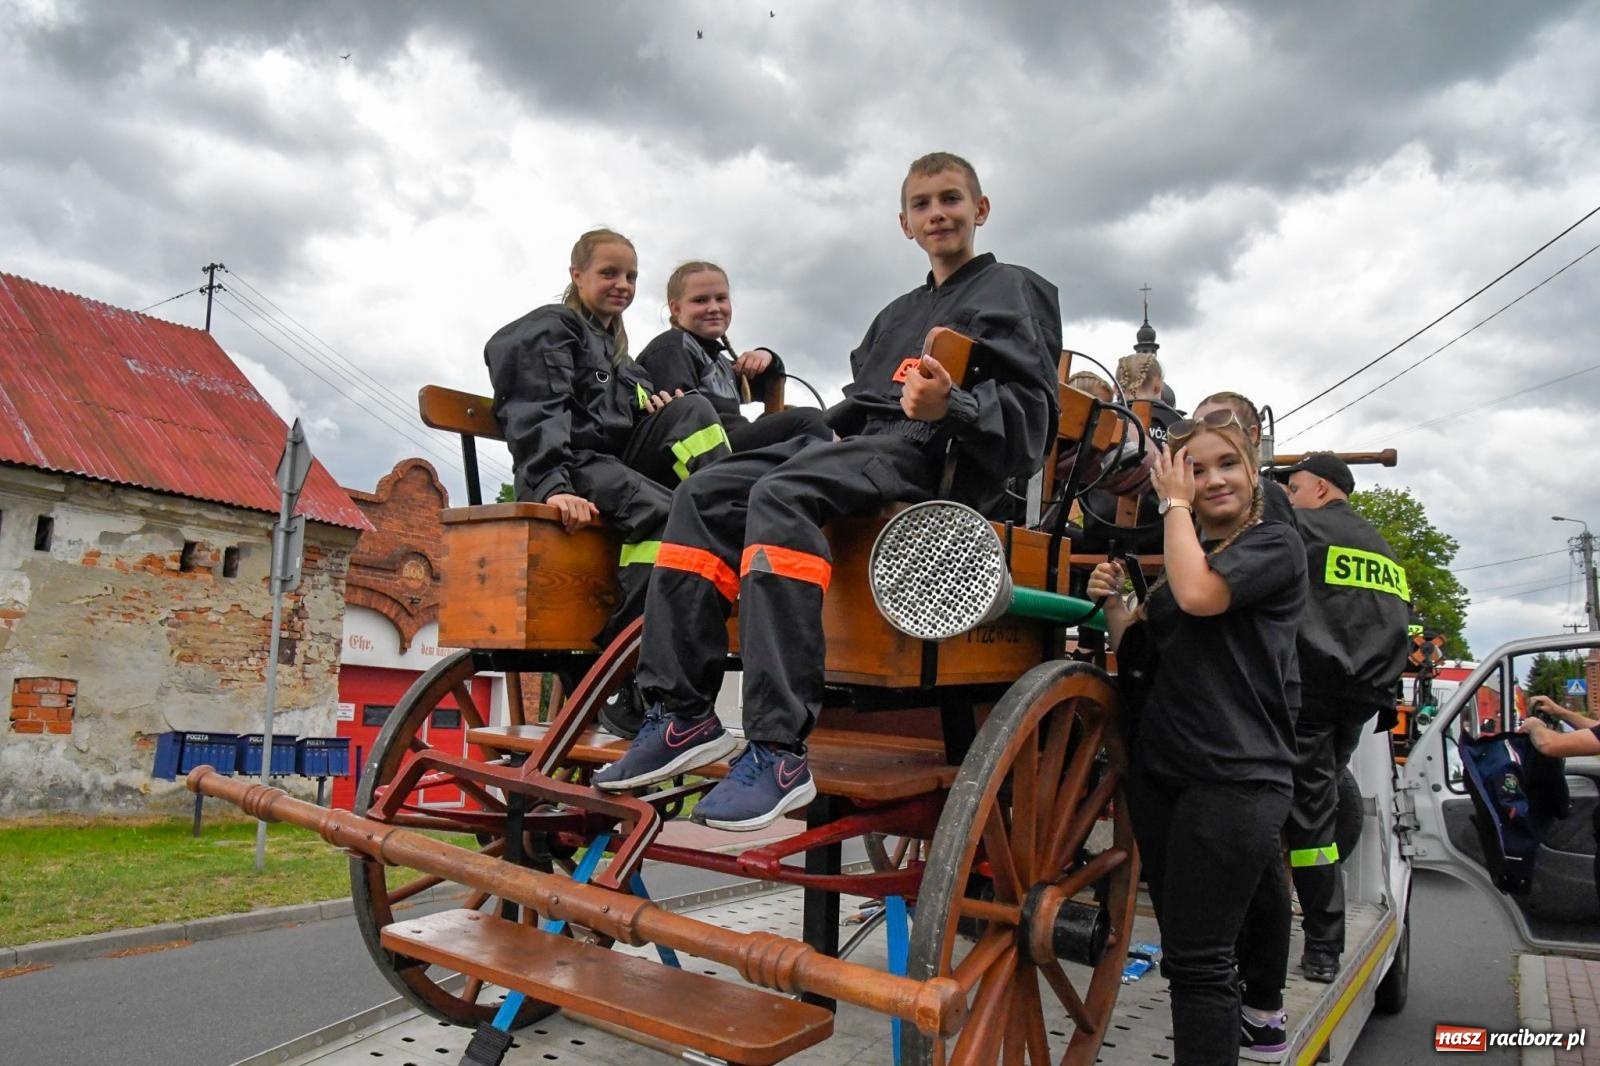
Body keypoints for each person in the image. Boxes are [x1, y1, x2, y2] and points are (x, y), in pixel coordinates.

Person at [592, 151, 1061, 830]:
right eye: (923, 204)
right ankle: (681, 714)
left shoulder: (1016, 290)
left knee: (779, 496)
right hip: (856, 449)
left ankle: (780, 751)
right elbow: (860, 407)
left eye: (951, 199)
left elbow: (1031, 422)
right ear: (904, 223)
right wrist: (807, 432)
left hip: (934, 462)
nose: (938, 214)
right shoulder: (896, 314)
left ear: (980, 210)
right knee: (707, 492)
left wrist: (951, 408)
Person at [1087, 410, 1306, 1066]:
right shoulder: (1189, 558)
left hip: (1234, 776)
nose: (1213, 480)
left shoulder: (1273, 544)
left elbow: (1202, 595)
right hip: (1169, 775)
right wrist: (1119, 606)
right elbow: (1144, 654)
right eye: (1195, 468)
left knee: (1201, 962)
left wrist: (1173, 503)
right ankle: (1256, 1027)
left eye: (1226, 464)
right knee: (1190, 953)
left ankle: (1259, 1022)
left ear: (1254, 472)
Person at [484, 228, 732, 652]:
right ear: (577, 275)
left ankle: (728, 518)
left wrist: (652, 409)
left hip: (611, 467)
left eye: (631, 276)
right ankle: (622, 656)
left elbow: (621, 424)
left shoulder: (621, 356)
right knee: (663, 515)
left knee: (691, 408)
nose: (623, 285)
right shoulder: (554, 328)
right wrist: (553, 487)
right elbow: (538, 409)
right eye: (609, 273)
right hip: (572, 467)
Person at [1278, 452, 1409, 985]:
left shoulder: (1305, 527)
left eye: (1297, 486)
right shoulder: (1383, 549)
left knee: (1309, 824)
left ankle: (1324, 946)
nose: (1290, 496)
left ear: (1325, 489)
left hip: (1312, 693)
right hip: (1362, 699)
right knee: (1319, 808)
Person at [637, 261, 833, 451]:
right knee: (808, 421)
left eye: (721, 298)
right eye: (700, 300)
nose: (714, 308)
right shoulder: (671, 348)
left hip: (733, 441)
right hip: (711, 453)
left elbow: (769, 384)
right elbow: (680, 422)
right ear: (676, 308)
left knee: (828, 420)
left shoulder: (721, 362)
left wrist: (767, 357)